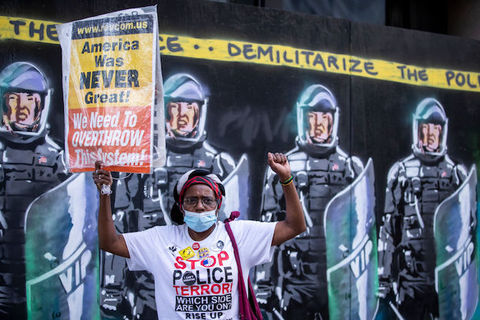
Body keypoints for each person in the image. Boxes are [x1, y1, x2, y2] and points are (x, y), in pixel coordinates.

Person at [93, 152, 305, 320]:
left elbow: (294, 226)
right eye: (191, 200)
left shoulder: (240, 235)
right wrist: (105, 194)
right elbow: (110, 242)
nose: (200, 206)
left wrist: (286, 179)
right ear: (181, 207)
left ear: (218, 205)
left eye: (207, 200)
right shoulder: (161, 240)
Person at [100, 73, 242, 318]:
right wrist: (112, 287)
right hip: (149, 283)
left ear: (200, 113)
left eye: (190, 109)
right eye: (175, 109)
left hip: (206, 282)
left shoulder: (220, 164)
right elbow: (121, 222)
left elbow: (236, 232)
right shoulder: (141, 163)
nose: (183, 116)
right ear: (163, 113)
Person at [254, 84, 364, 319]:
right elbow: (268, 229)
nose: (320, 125)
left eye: (325, 118)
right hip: (296, 280)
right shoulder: (284, 166)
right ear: (303, 119)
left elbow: (363, 228)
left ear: (334, 120)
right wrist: (263, 281)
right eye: (313, 118)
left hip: (337, 278)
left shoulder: (351, 169)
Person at [378, 98, 467, 319]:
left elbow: (468, 232)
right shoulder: (401, 173)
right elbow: (389, 230)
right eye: (425, 129)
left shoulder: (457, 175)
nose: (429, 135)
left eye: (435, 129)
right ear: (417, 130)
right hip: (411, 278)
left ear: (442, 131)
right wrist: (385, 276)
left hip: (445, 277)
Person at [0, 62, 68, 317]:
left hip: (43, 284)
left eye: (30, 98)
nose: (21, 108)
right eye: (14, 99)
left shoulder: (58, 159)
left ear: (41, 104)